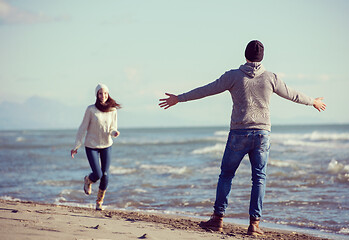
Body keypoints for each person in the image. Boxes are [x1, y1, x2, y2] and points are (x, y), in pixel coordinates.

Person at [159, 40, 326, 235]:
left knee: (226, 175)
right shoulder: (271, 78)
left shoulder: (233, 76)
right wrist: (312, 101)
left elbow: (207, 89)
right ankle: (254, 225)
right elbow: (292, 94)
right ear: (262, 57)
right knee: (259, 179)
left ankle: (217, 219)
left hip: (239, 132)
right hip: (263, 134)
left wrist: (179, 98)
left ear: (245, 55)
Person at [71, 83, 121, 211]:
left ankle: (99, 202)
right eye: (100, 93)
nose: (103, 95)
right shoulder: (91, 110)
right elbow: (83, 128)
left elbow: (112, 127)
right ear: (96, 95)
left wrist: (114, 133)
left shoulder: (112, 110)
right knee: (98, 174)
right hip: (91, 145)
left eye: (105, 93)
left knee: (105, 174)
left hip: (106, 145)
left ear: (108, 94)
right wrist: (76, 146)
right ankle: (88, 180)